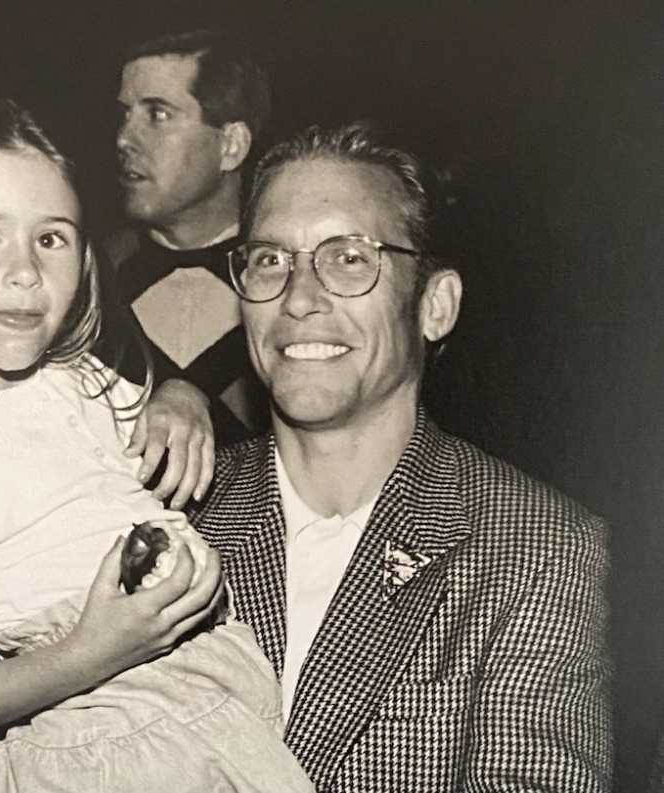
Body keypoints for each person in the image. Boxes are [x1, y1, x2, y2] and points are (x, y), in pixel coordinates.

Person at [0, 96, 313, 793]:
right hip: (110, 739)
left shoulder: (72, 378)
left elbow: (140, 435)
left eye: (51, 238)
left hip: (209, 707)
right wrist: (91, 652)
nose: (25, 271)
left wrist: (179, 400)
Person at [192, 122, 614, 791]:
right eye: (270, 259)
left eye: (349, 258)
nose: (299, 298)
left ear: (434, 305)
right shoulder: (168, 514)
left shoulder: (534, 548)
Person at [107, 29, 272, 445]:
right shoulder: (84, 277)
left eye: (157, 115)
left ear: (231, 145)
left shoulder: (292, 289)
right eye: (125, 114)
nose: (124, 139)